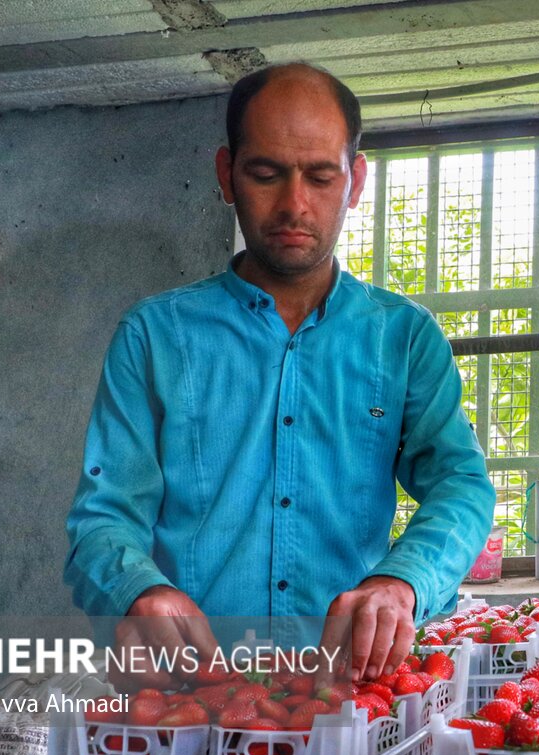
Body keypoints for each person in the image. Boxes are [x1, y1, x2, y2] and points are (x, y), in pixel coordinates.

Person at [64, 63, 496, 690]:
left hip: (346, 695)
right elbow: (104, 515)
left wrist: (402, 581)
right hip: (190, 696)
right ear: (226, 175)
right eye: (265, 174)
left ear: (355, 182)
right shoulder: (155, 337)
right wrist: (140, 591)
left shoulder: (402, 337)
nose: (294, 204)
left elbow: (461, 485)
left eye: (321, 176)